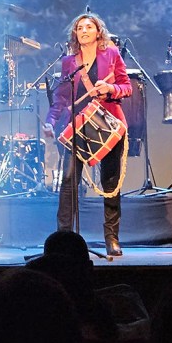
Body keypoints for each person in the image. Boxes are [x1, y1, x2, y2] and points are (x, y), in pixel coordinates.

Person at [45, 13, 132, 256]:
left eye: (89, 27)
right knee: (68, 182)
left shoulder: (112, 54)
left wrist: (111, 88)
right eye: (79, 28)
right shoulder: (69, 62)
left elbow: (127, 87)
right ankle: (63, 238)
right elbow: (61, 98)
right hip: (79, 126)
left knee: (110, 182)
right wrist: (50, 121)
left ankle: (111, 238)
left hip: (108, 124)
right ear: (75, 34)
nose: (84, 30)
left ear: (98, 31)